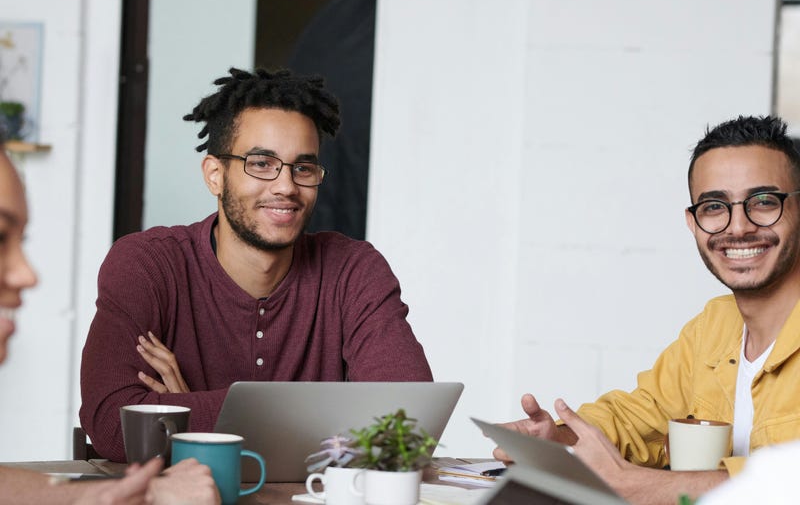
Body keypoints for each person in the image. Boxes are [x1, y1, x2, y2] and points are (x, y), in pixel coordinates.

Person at [80, 67, 433, 462]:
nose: (286, 186)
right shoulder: (147, 264)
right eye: (261, 164)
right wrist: (331, 415)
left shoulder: (354, 271)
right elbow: (114, 427)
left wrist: (184, 406)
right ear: (215, 175)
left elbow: (407, 423)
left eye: (303, 167)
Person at [496, 115, 800, 505]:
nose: (737, 227)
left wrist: (642, 486)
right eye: (713, 206)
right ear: (693, 223)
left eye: (763, 202)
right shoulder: (714, 326)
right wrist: (559, 439)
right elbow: (641, 419)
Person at [0, 144, 220, 504]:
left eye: (20, 241)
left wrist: (115, 494)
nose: (27, 274)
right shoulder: (148, 259)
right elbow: (110, 423)